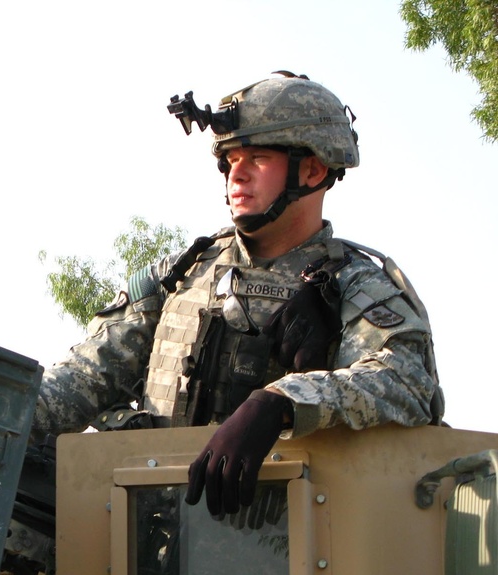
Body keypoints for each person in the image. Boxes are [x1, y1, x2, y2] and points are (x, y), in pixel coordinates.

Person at [32, 72, 443, 518]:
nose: (236, 173)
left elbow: (407, 383)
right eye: (229, 159)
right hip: (142, 537)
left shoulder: (354, 285)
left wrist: (283, 403)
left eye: (257, 158)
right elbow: (82, 379)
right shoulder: (180, 273)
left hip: (271, 554)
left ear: (313, 169)